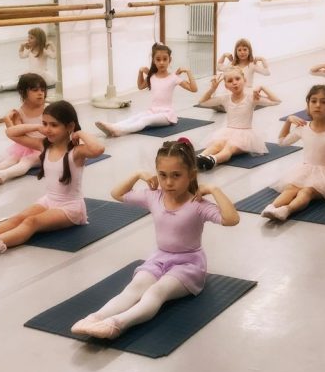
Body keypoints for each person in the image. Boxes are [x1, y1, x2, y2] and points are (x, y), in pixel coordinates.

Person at [70, 138, 239, 339]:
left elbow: (231, 219)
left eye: (176, 175)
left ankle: (116, 324)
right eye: (163, 175)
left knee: (156, 292)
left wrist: (213, 189)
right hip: (159, 258)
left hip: (189, 265)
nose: (168, 182)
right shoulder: (155, 197)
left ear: (191, 175)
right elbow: (117, 193)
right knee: (134, 287)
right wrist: (138, 174)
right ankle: (95, 318)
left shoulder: (197, 204)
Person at [0, 101, 104, 256]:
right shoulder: (44, 146)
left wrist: (79, 133)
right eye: (45, 124)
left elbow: (98, 149)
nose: (47, 129)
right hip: (49, 200)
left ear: (69, 126)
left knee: (32, 222)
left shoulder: (77, 152)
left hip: (71, 208)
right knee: (18, 218)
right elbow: (11, 133)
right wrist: (37, 127)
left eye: (54, 125)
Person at [260, 84, 325, 222]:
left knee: (307, 191)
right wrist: (288, 121)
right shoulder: (303, 128)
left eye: (323, 102)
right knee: (290, 188)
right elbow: (282, 142)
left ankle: (286, 210)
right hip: (304, 170)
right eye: (314, 101)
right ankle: (272, 207)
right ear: (308, 104)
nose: (318, 105)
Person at [95, 43, 198, 136]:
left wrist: (188, 71)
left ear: (169, 60)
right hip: (152, 111)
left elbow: (194, 89)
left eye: (165, 59)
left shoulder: (173, 78)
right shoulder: (152, 76)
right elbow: (140, 86)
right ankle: (113, 126)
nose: (161, 62)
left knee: (145, 120)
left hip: (167, 115)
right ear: (153, 60)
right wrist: (140, 72)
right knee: (136, 117)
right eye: (158, 59)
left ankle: (120, 130)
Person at [0, 73, 48, 185]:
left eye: (43, 90)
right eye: (35, 90)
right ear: (23, 92)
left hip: (45, 147)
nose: (40, 93)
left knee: (27, 160)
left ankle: (3, 175)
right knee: (12, 159)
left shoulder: (48, 109)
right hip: (28, 145)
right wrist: (8, 120)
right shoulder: (19, 112)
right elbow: (15, 134)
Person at [195, 68, 280, 170]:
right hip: (227, 132)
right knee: (217, 144)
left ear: (244, 80)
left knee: (229, 147)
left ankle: (213, 159)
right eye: (230, 81)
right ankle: (198, 158)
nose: (234, 83)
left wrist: (262, 87)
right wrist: (212, 89)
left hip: (245, 135)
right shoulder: (225, 99)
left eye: (237, 79)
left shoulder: (251, 98)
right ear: (226, 86)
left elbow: (276, 101)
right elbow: (202, 103)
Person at [0, 27, 58, 92]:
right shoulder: (30, 50)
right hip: (31, 73)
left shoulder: (44, 51)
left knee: (20, 83)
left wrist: (52, 45)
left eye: (31, 38)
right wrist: (21, 47)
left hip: (40, 77)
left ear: (38, 40)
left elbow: (54, 56)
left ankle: (1, 87)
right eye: (28, 37)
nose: (28, 39)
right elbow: (22, 56)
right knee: (18, 80)